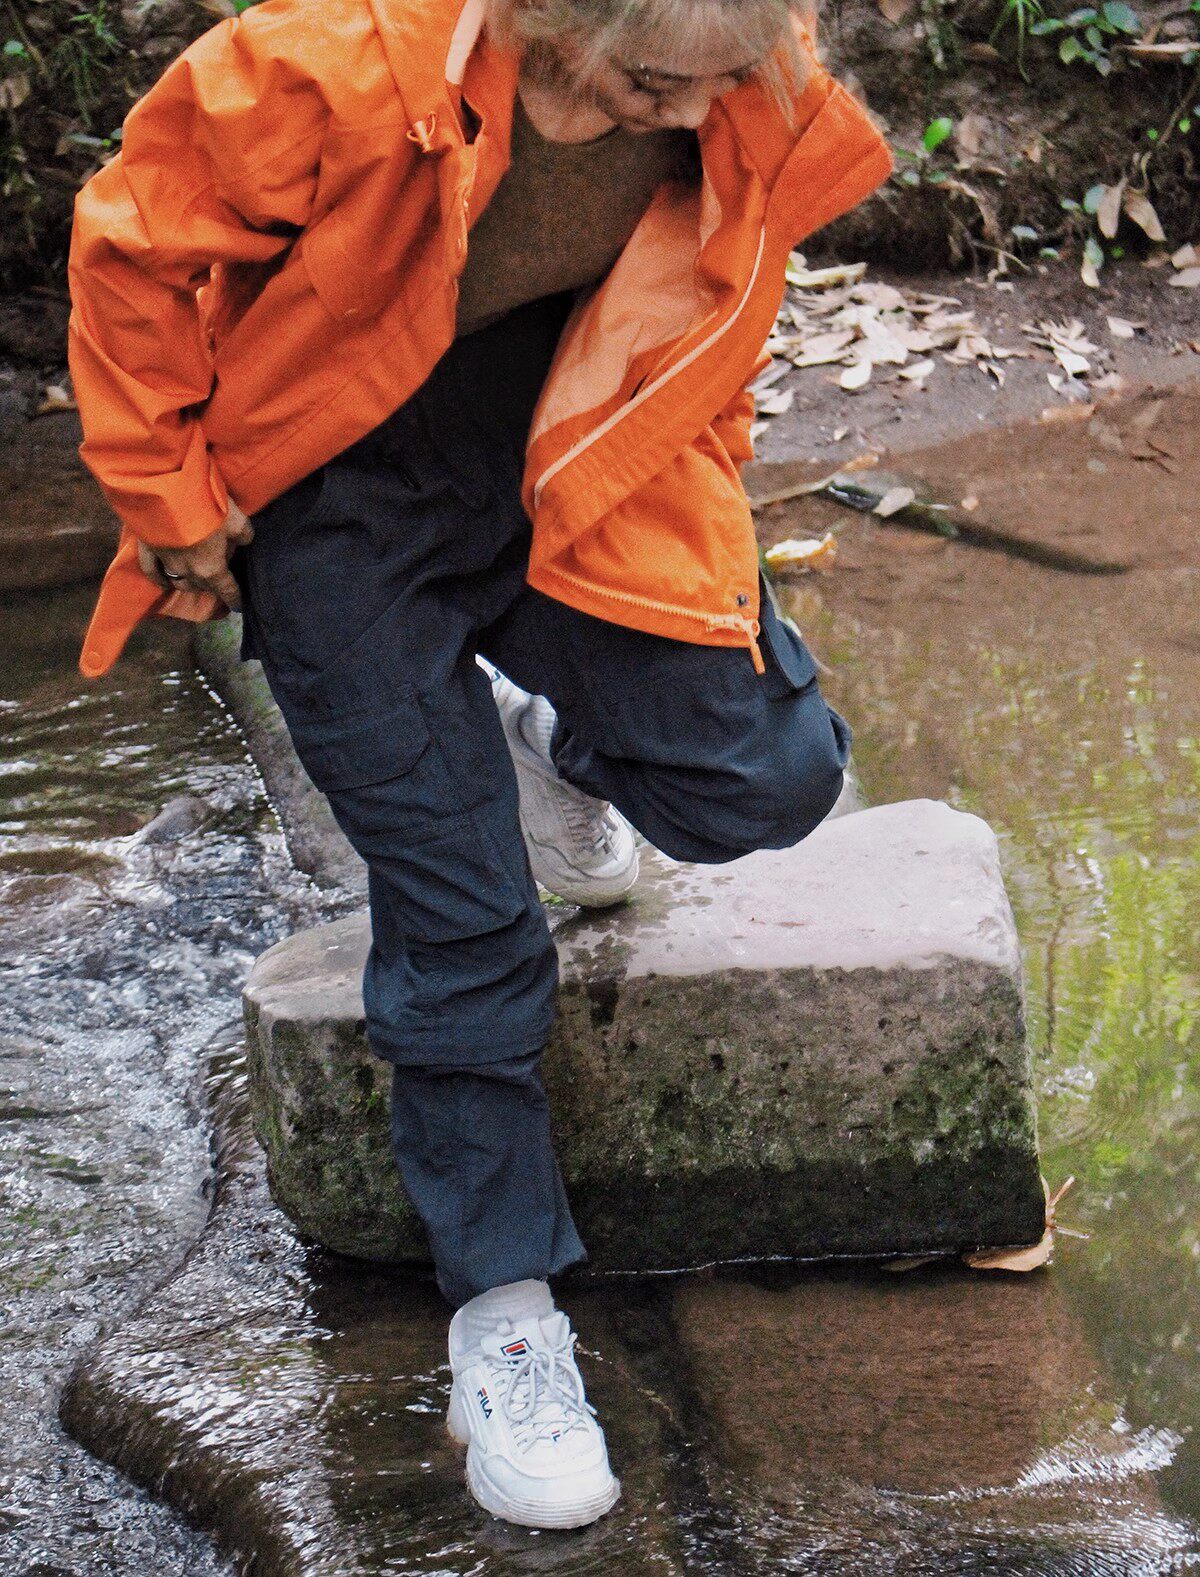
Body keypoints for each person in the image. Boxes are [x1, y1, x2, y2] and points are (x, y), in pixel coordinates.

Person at [67, 0, 891, 1530]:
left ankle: (536, 746)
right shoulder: (334, 62)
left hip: (566, 468)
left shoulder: (752, 78)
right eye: (657, 77)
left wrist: (698, 520)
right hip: (339, 514)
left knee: (773, 777)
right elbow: (132, 242)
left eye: (725, 75)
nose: (694, 107)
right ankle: (504, 1315)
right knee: (468, 924)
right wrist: (166, 493)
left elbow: (716, 322)